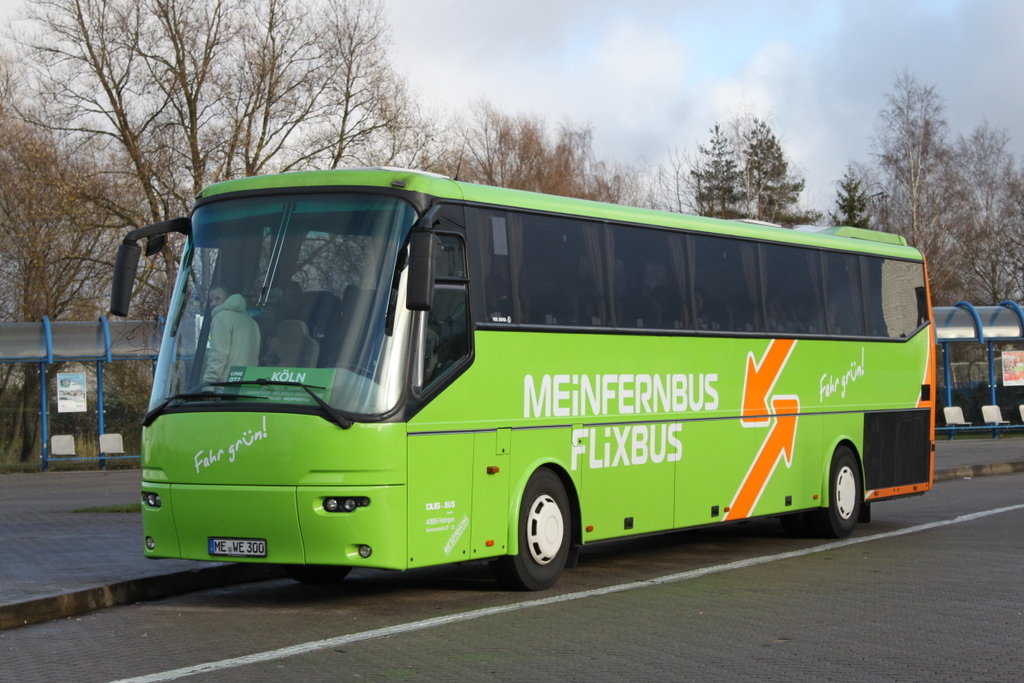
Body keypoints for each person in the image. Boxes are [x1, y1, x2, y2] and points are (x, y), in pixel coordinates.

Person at [203, 286, 261, 383]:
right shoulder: (251, 322)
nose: (213, 303)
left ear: (227, 299)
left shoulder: (220, 318)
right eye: (211, 300)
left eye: (217, 299)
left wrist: (209, 383)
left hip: (225, 387)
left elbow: (218, 355)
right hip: (247, 384)